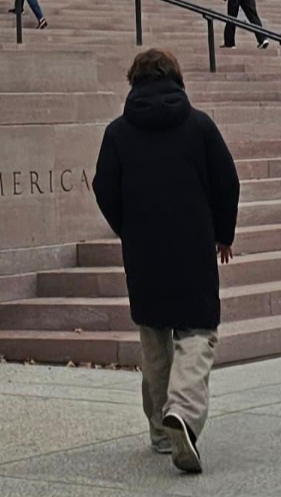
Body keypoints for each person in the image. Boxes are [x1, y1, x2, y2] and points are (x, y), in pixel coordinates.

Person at [92, 45, 240, 474]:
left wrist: (128, 227)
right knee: (198, 333)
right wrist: (223, 233)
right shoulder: (199, 126)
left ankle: (160, 430)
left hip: (144, 251)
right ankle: (184, 413)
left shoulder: (118, 133)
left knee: (154, 341)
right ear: (176, 79)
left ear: (134, 82)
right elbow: (227, 181)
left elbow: (104, 188)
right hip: (193, 246)